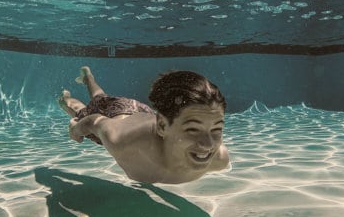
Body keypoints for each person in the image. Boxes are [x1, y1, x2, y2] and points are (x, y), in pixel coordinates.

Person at [58, 66, 230, 184]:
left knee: (100, 97)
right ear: (162, 126)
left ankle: (88, 77)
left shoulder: (218, 159)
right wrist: (75, 130)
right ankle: (73, 90)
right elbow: (93, 120)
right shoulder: (122, 140)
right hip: (118, 113)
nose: (208, 144)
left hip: (146, 113)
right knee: (83, 107)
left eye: (216, 129)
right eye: (193, 129)